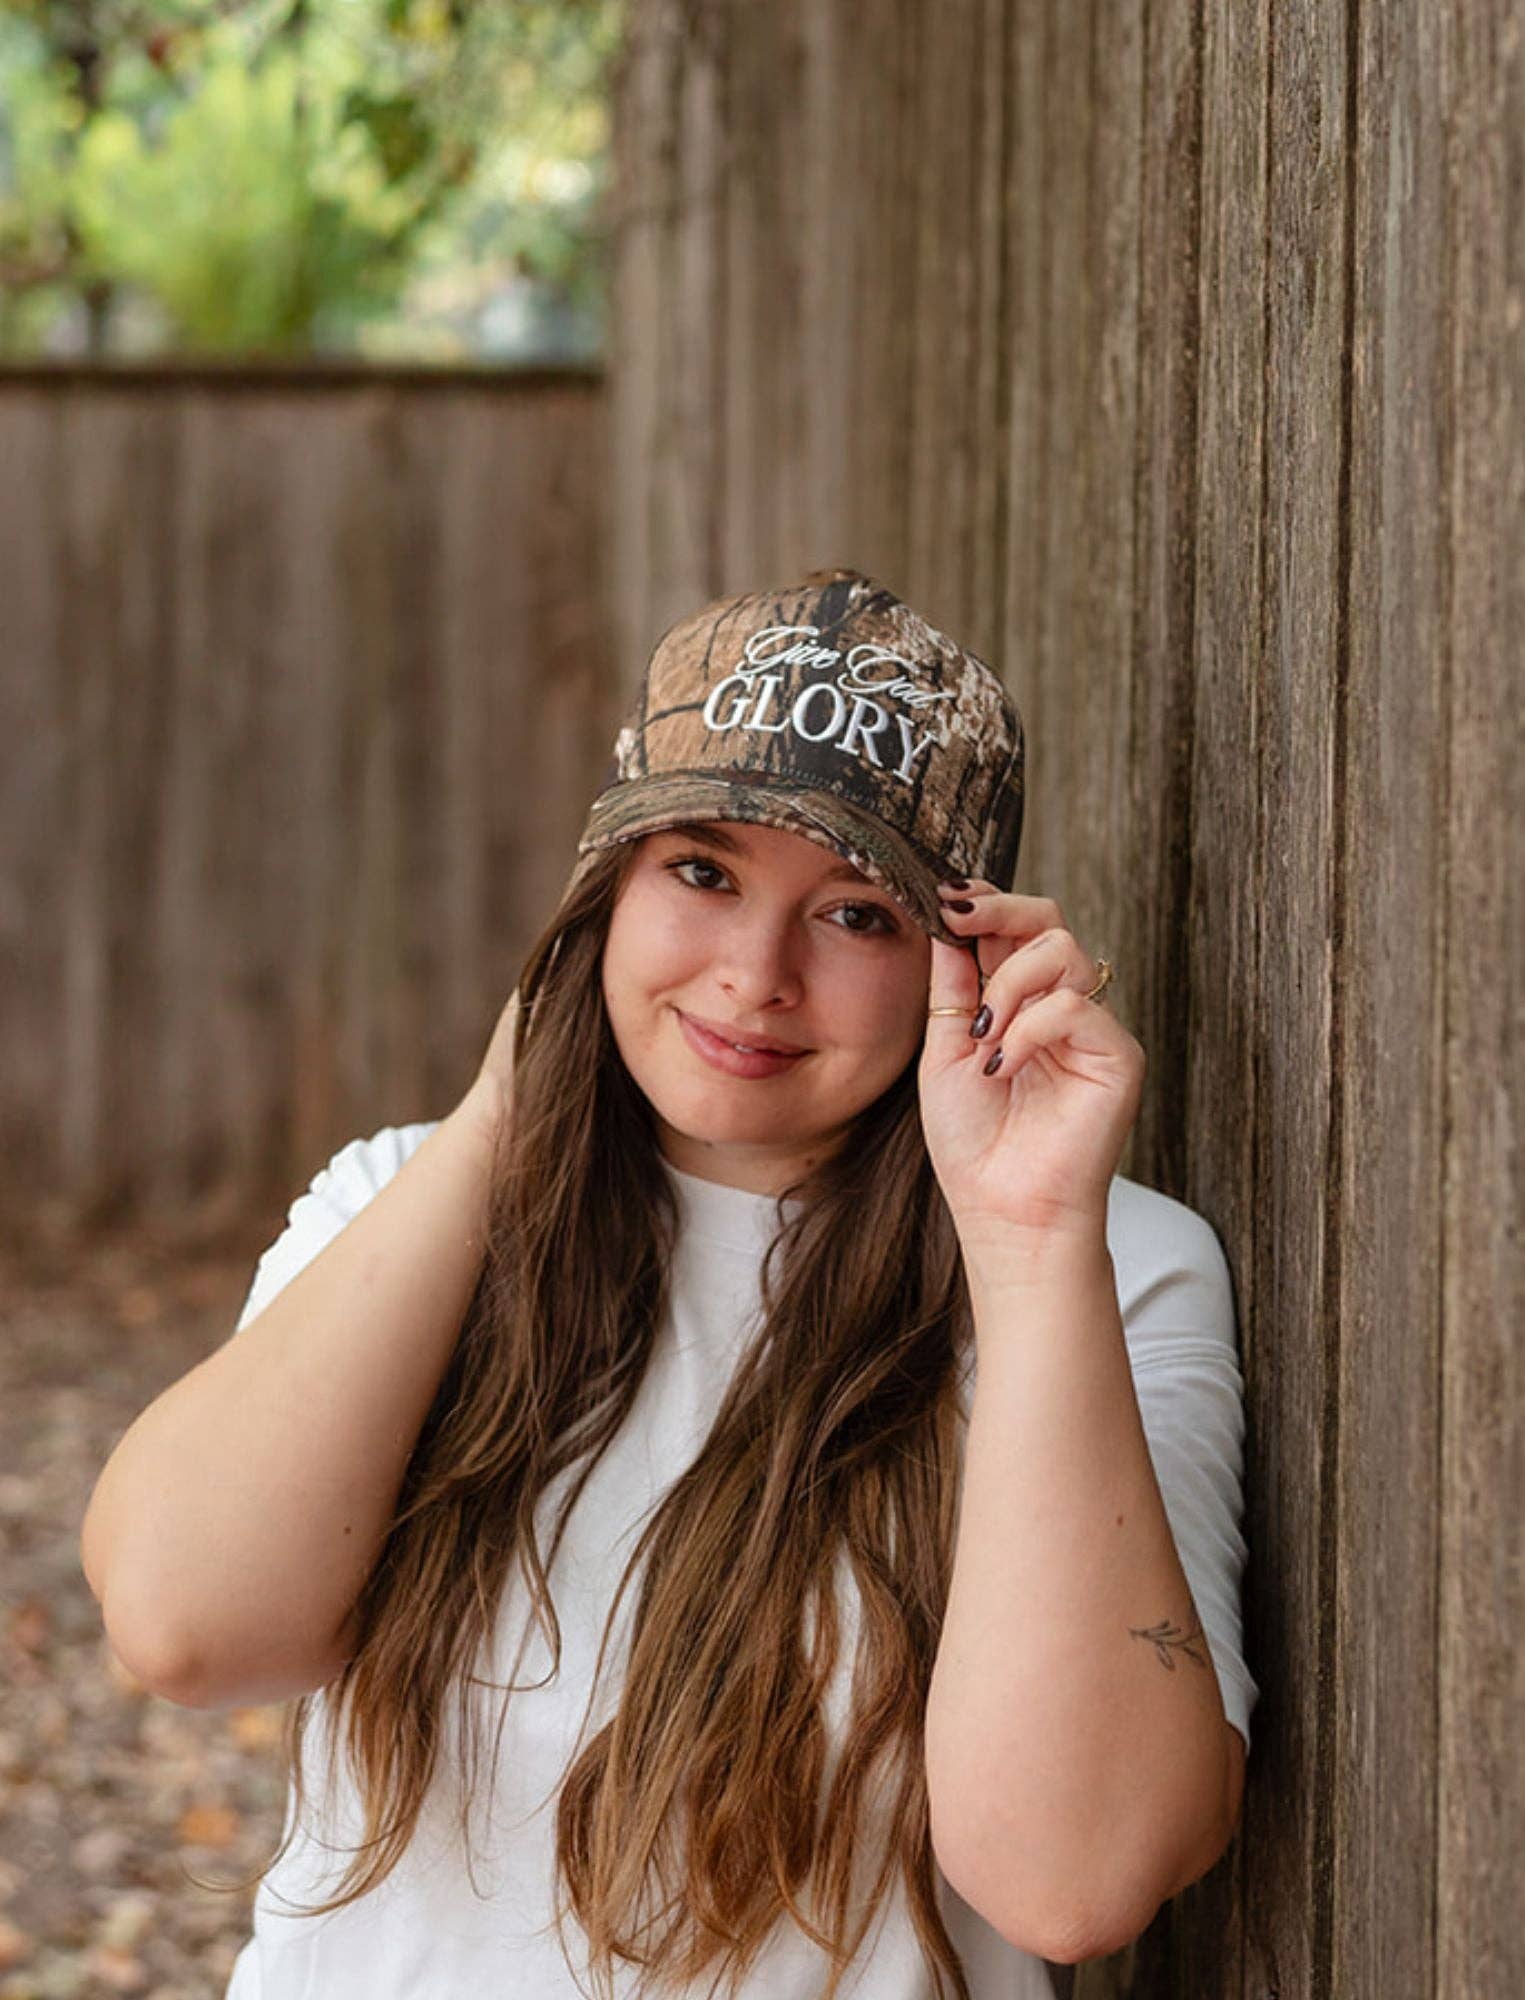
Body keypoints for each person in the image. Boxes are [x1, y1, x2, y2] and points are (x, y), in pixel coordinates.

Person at [81, 567, 1257, 2000]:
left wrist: (1023, 1247)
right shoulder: (403, 1200)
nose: (754, 975)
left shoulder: (1104, 1270)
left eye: (856, 917)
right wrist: (509, 1113)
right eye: (699, 875)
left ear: (965, 958)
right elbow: (189, 1628)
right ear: (603, 891)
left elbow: (1073, 1882)